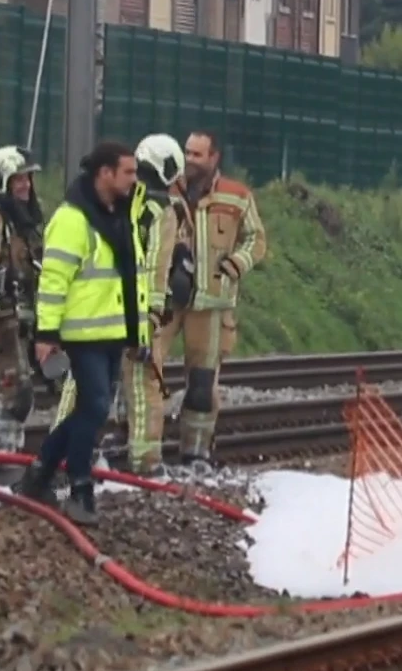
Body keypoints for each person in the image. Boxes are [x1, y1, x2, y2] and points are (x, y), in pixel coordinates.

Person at [11, 142, 148, 524]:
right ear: (104, 173)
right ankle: (80, 486)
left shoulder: (120, 214)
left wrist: (138, 333)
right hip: (82, 332)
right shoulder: (73, 220)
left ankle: (39, 473)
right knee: (95, 405)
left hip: (111, 331)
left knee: (91, 407)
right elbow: (53, 281)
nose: (135, 180)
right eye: (128, 172)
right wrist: (46, 334)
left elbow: (131, 277)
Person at [50, 134, 194, 476]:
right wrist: (152, 320)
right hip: (135, 313)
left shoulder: (103, 200)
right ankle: (145, 463)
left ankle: (60, 454)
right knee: (142, 386)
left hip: (95, 308)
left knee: (80, 382)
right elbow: (157, 272)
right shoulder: (162, 211)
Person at [173, 130, 266, 466]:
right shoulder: (169, 188)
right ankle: (142, 449)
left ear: (214, 158)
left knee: (202, 382)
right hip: (167, 299)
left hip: (212, 304)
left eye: (197, 154)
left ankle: (195, 450)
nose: (190, 160)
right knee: (144, 371)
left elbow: (256, 238)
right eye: (187, 152)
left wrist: (234, 265)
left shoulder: (237, 195)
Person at [0, 145, 47, 452]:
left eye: (28, 179)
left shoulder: (28, 220)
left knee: (17, 390)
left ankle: (2, 453)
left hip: (24, 316)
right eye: (17, 180)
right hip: (3, 319)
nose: (25, 186)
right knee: (11, 389)